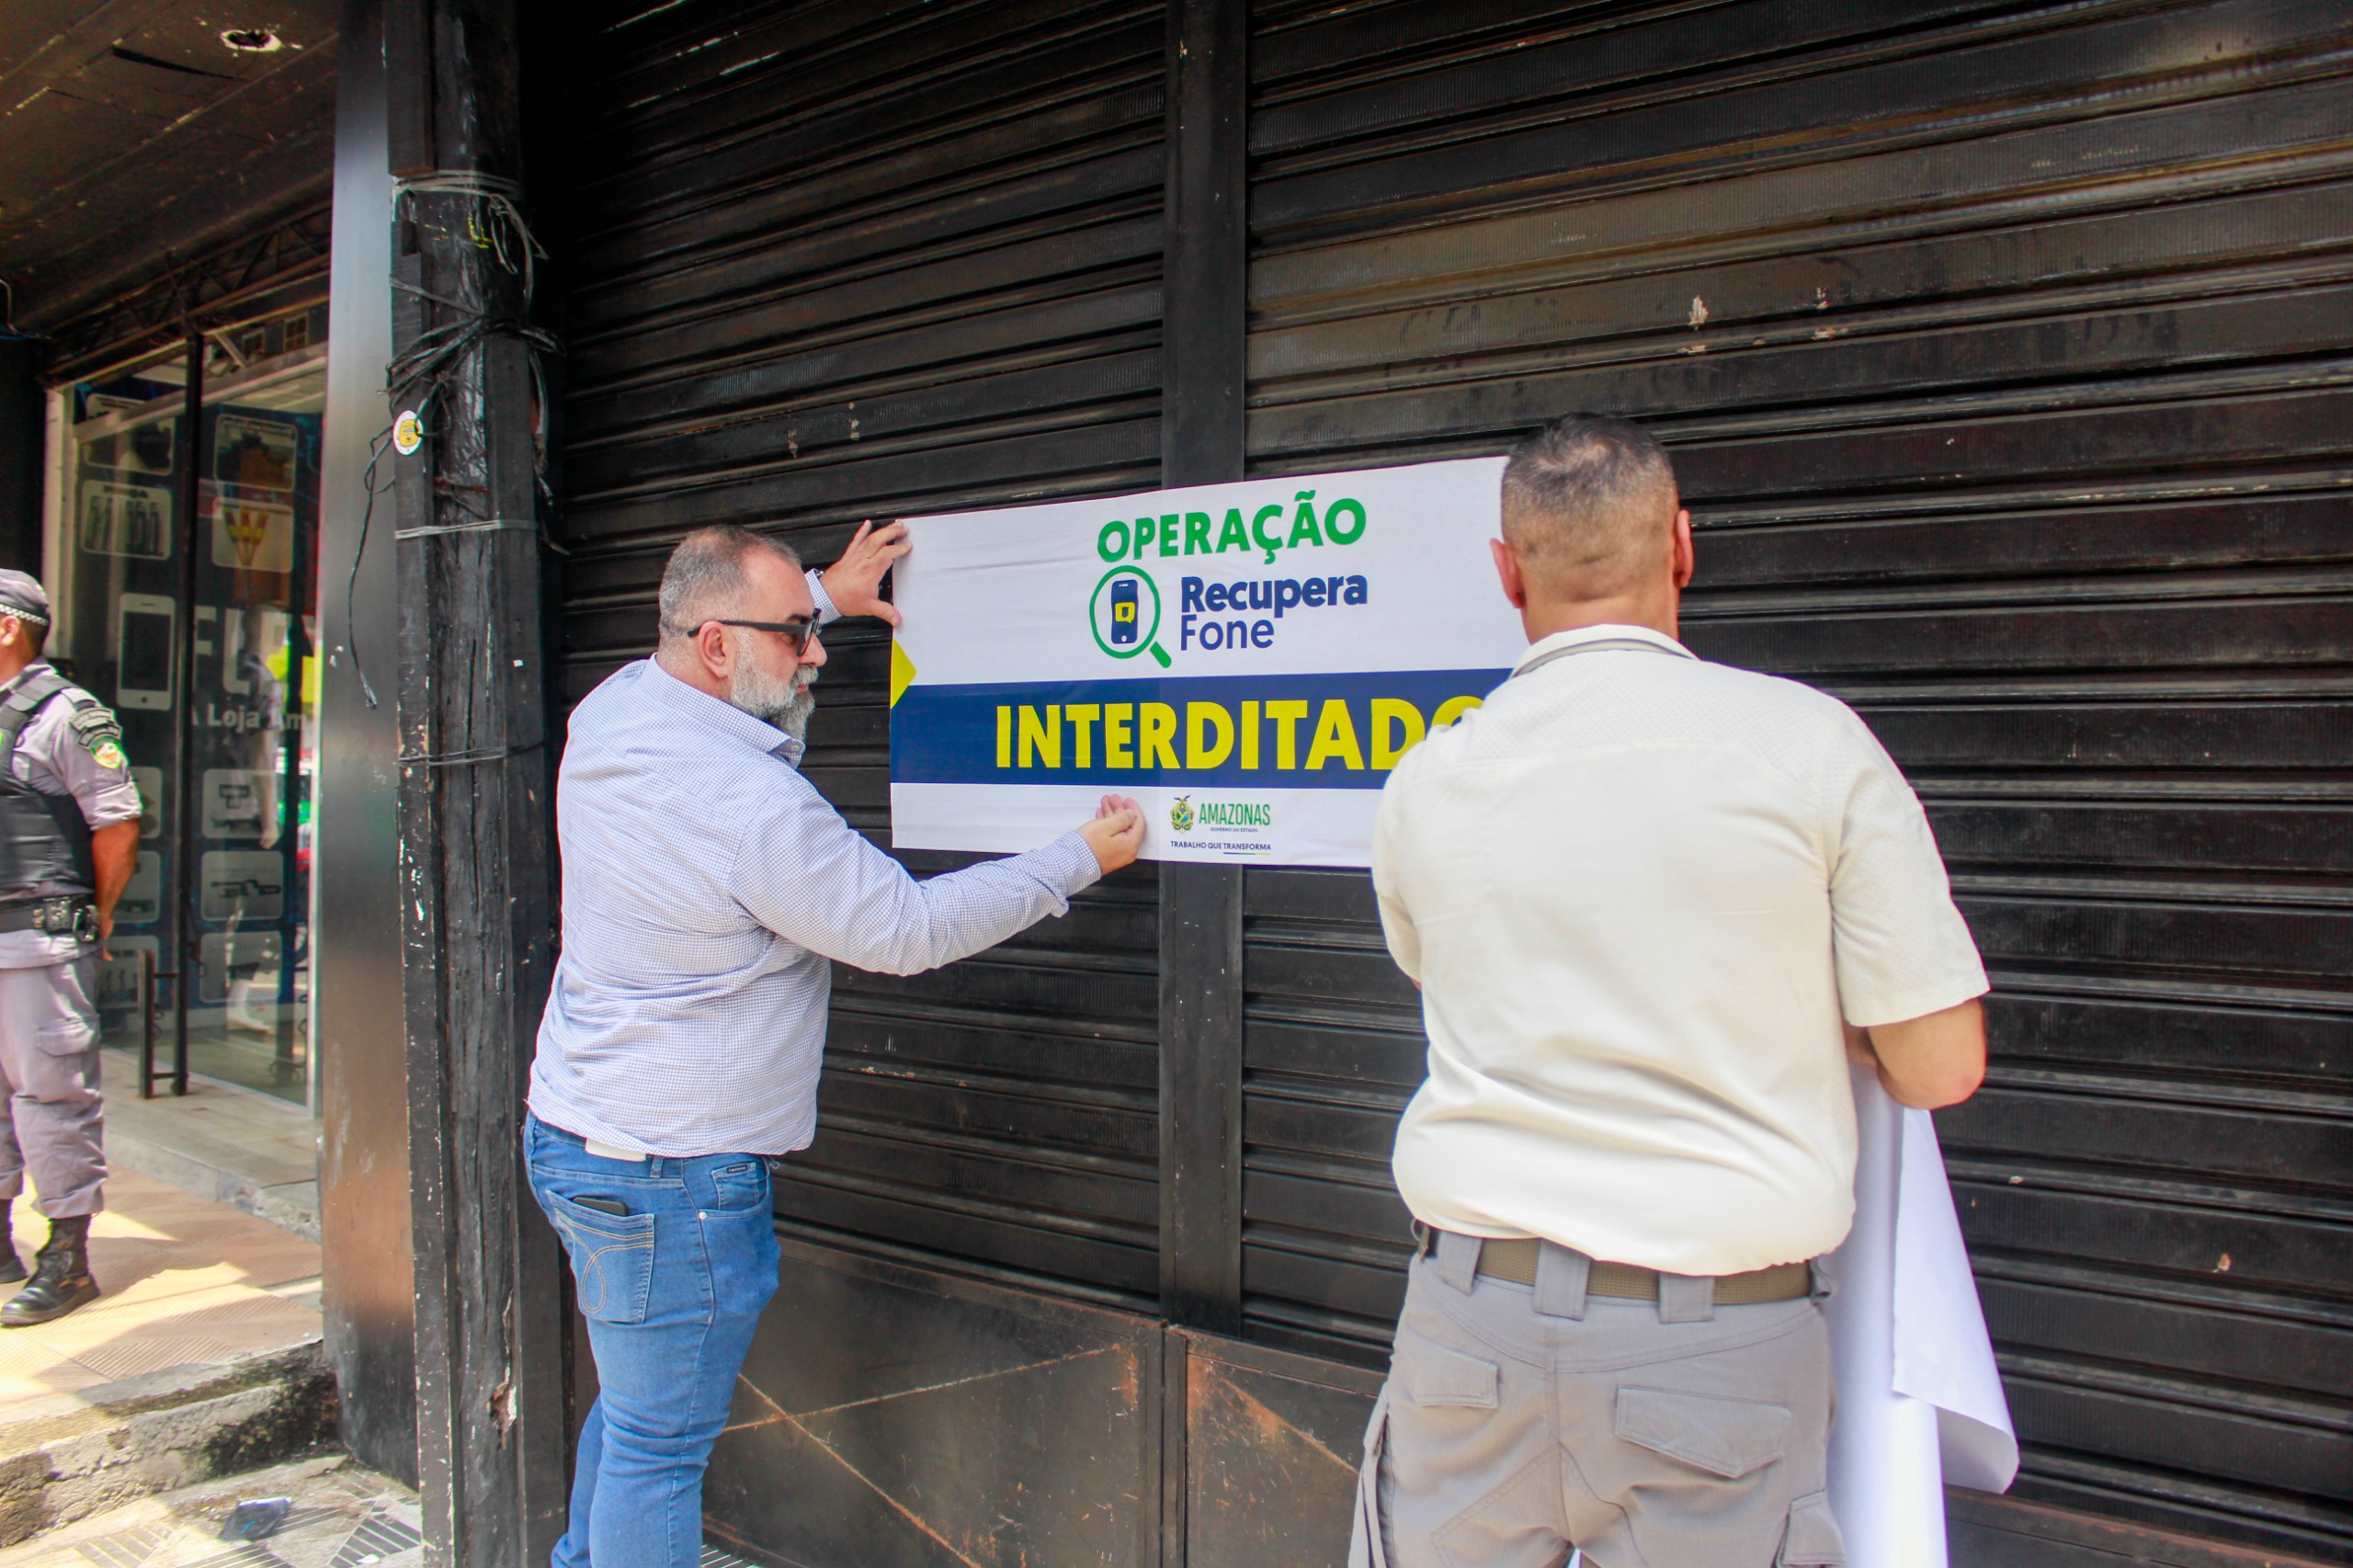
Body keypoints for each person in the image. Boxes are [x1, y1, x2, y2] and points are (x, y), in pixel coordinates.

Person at [1354, 415, 1989, 1568]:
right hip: (1716, 1364)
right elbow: (1940, 1064)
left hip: (1464, 1336)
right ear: (1683, 547)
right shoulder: (1814, 748)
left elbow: (1441, 972)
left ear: (1506, 572)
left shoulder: (1428, 776)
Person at [525, 521, 1144, 1568]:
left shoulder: (616, 709)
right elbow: (903, 930)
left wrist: (822, 589)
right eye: (799, 635)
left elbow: (728, 617)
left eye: (813, 630)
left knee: (636, 1417)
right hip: (673, 1172)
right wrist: (1071, 858)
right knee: (659, 1442)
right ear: (717, 644)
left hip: (578, 1137)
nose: (816, 654)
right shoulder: (751, 804)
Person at [0, 571, 141, 1326]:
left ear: (9, 627)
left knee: (51, 1094)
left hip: (39, 936)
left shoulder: (68, 716)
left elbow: (117, 825)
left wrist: (98, 915)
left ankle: (67, 1258)